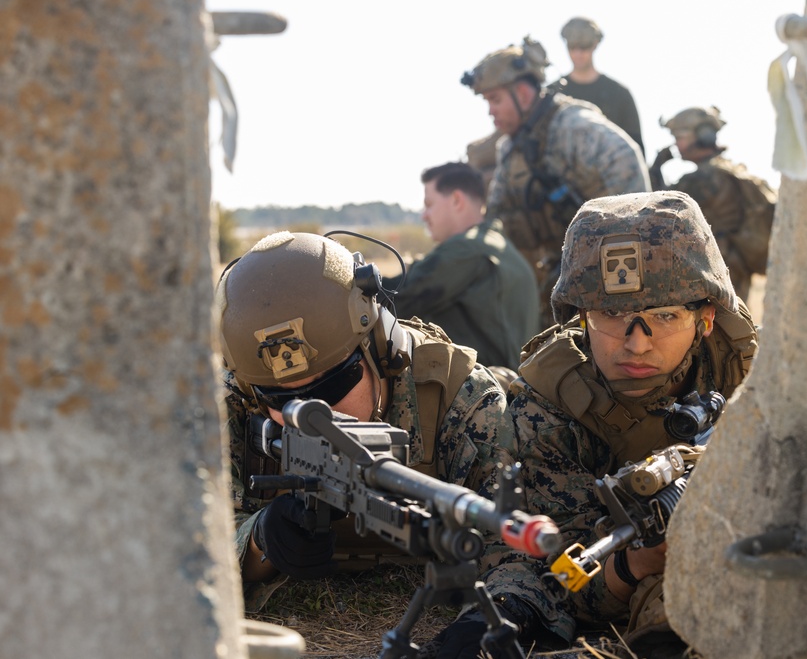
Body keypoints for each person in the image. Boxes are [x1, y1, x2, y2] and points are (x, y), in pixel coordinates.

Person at [430, 191, 760, 658]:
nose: (637, 345)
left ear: (706, 318)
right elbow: (563, 584)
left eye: (664, 316)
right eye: (613, 316)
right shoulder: (550, 409)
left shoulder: (756, 373)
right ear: (581, 318)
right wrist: (641, 561)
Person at [215, 230, 517, 609]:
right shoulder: (228, 406)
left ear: (379, 346)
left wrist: (502, 610)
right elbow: (177, 546)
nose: (310, 415)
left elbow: (516, 550)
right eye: (282, 400)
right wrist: (258, 540)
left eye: (332, 386)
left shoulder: (460, 398)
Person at [461, 35, 650, 329]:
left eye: (495, 100)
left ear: (522, 94)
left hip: (607, 288)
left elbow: (630, 171)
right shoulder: (511, 147)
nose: (490, 111)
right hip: (554, 287)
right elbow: (498, 219)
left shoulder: (575, 126)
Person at [385, 161, 540, 372]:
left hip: (480, 393)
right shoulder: (497, 245)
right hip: (505, 387)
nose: (424, 215)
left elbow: (394, 299)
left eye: (429, 204)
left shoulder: (466, 249)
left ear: (457, 200)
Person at [653, 106, 778, 301]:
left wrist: (655, 171)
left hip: (716, 265)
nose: (676, 144)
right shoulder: (726, 169)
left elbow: (662, 212)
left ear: (703, 136)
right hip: (732, 262)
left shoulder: (703, 177)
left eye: (680, 137)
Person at [548, 17, 644, 155]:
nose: (578, 53)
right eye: (572, 47)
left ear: (595, 44)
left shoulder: (619, 94)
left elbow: (636, 150)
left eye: (584, 47)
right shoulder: (553, 94)